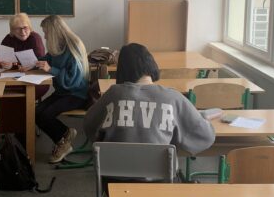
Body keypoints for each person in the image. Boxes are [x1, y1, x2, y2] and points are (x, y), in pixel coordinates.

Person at [84, 43, 215, 154]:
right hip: (159, 175)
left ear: (121, 70)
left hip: (112, 174)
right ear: (151, 63)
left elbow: (89, 126)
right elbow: (206, 136)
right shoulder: (173, 98)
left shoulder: (113, 94)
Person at [34, 15, 89, 163]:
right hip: (62, 93)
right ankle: (65, 135)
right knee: (36, 112)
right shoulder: (56, 46)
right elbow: (47, 59)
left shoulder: (74, 46)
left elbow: (72, 81)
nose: (45, 36)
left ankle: (63, 142)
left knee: (45, 115)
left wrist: (50, 69)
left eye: (46, 32)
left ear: (53, 32)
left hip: (76, 94)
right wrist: (33, 63)